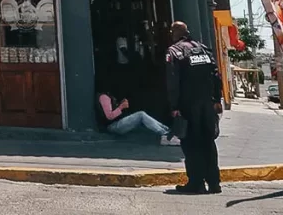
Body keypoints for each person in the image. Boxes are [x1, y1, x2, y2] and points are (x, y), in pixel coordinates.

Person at [166, 21, 224, 195]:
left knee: (191, 143)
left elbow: (172, 81)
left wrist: (174, 106)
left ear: (174, 33)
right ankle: (214, 183)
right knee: (208, 141)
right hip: (207, 104)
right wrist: (217, 99)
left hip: (188, 105)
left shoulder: (174, 51)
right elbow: (216, 75)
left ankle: (196, 183)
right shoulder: (204, 49)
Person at [96, 88, 172, 142]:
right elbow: (109, 116)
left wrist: (120, 105)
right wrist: (121, 107)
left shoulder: (108, 96)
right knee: (141, 115)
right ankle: (165, 134)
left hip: (116, 123)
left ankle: (166, 130)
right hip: (112, 126)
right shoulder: (104, 97)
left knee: (141, 116)